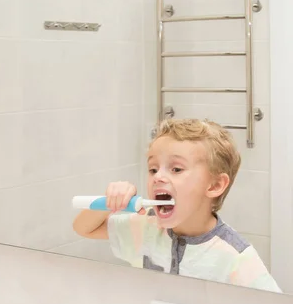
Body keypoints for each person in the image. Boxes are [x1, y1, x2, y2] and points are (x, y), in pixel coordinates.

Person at [73, 118, 280, 292]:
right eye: (153, 169)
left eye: (176, 169)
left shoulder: (236, 257)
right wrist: (111, 202)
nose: (158, 177)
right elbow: (83, 228)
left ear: (215, 185)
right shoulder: (146, 226)